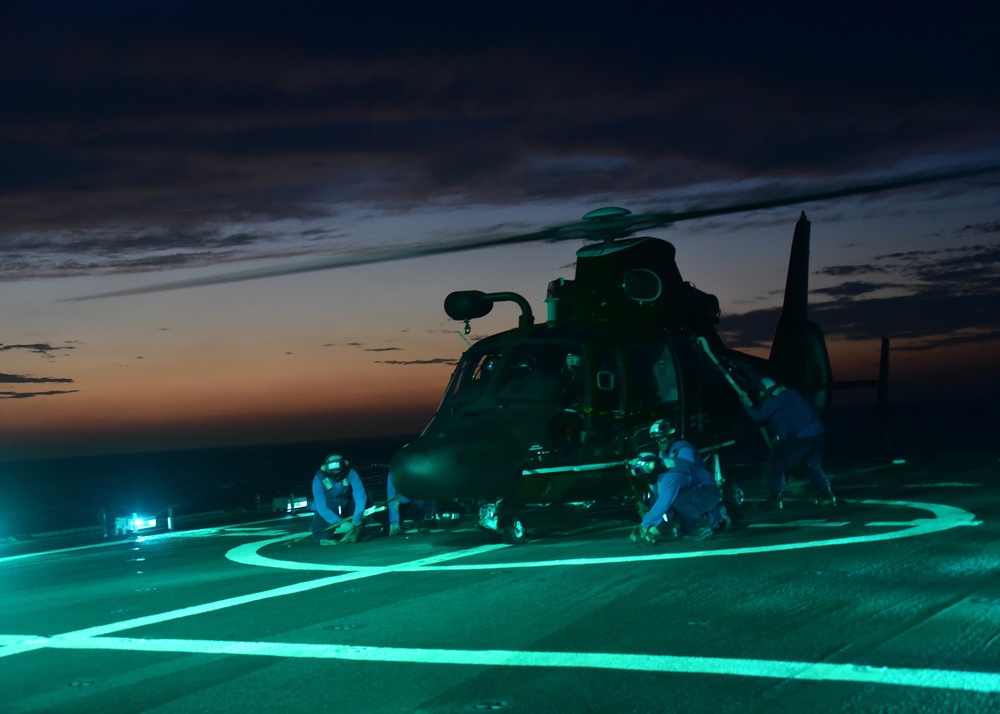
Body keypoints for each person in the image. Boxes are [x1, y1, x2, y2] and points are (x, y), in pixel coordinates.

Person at [629, 419, 727, 545]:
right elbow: (659, 493)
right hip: (688, 491)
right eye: (656, 439)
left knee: (677, 500)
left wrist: (646, 524)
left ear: (670, 435)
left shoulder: (683, 450)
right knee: (681, 522)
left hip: (701, 490)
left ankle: (711, 520)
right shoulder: (662, 456)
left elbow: (672, 491)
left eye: (662, 438)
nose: (659, 442)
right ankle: (685, 522)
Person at [742, 377, 836, 509]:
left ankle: (775, 498)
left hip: (802, 436)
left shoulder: (772, 401)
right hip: (818, 431)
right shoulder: (791, 392)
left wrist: (746, 405)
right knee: (812, 464)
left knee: (777, 465)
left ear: (764, 390)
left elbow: (758, 417)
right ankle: (827, 495)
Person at [309, 454, 368, 545]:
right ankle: (324, 538)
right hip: (330, 508)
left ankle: (358, 530)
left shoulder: (351, 473)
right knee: (318, 529)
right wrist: (341, 523)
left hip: (348, 505)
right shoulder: (318, 479)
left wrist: (357, 518)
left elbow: (360, 496)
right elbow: (322, 508)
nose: (337, 475)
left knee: (368, 497)